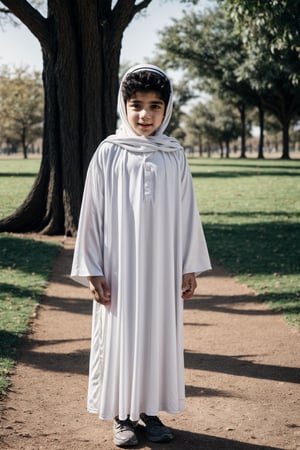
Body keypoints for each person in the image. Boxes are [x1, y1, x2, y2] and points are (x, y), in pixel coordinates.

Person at [71, 64, 211, 447]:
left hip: (163, 266)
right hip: (119, 267)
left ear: (167, 109)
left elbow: (187, 211)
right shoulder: (109, 152)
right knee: (121, 333)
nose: (145, 115)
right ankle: (122, 415)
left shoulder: (174, 154)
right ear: (124, 105)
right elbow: (92, 212)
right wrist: (92, 270)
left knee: (157, 333)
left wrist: (189, 267)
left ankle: (149, 412)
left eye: (155, 106)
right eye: (136, 105)